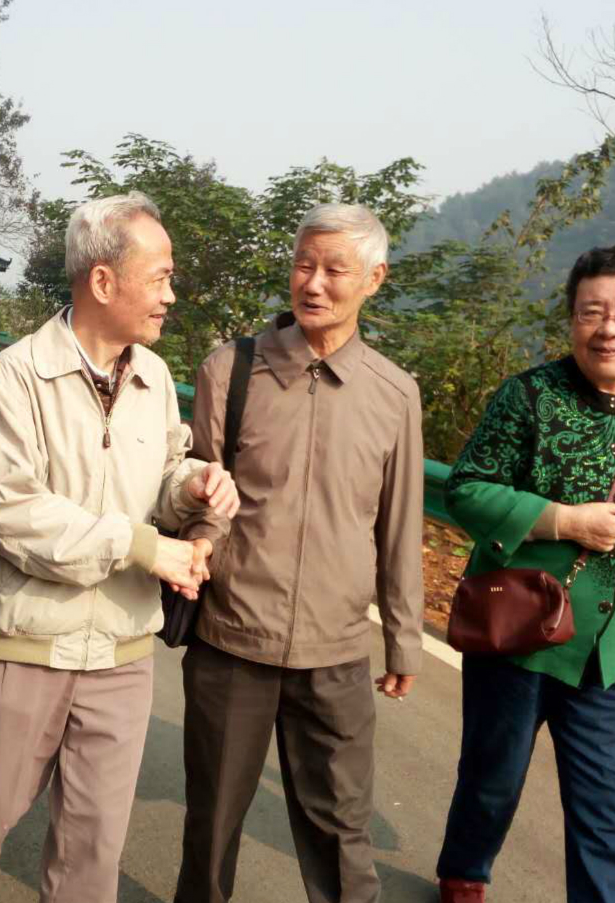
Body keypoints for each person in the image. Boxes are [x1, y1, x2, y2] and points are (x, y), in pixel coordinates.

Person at [0, 191, 240, 903]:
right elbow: (15, 512)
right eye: (159, 277)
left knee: (93, 847)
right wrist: (143, 547)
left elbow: (162, 473)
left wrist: (192, 485)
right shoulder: (17, 374)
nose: (170, 295)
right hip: (25, 642)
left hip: (121, 651)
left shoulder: (154, 378)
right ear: (103, 281)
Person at [174, 203, 425, 903]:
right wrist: (197, 543)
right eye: (303, 265)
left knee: (342, 834)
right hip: (231, 640)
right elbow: (199, 492)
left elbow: (398, 526)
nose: (313, 283)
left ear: (373, 278)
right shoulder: (230, 370)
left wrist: (403, 639)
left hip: (335, 649)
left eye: (334, 269)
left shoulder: (394, 393)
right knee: (211, 827)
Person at [435, 246, 615, 903]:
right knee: (493, 778)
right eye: (591, 312)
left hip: (614, 653)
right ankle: (465, 869)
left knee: (607, 814)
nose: (609, 329)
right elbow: (465, 489)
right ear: (571, 318)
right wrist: (564, 521)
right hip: (517, 637)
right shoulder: (527, 396)